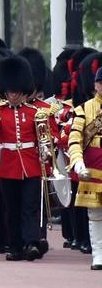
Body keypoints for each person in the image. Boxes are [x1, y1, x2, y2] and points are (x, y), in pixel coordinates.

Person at [0, 54, 48, 261]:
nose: (13, 95)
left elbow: (45, 138)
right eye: (10, 91)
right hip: (7, 166)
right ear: (5, 90)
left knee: (30, 207)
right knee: (12, 209)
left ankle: (31, 243)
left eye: (16, 91)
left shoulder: (35, 113)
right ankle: (15, 246)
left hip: (31, 165)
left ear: (23, 89)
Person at [66, 60, 102, 271]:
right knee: (95, 215)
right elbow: (74, 139)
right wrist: (77, 161)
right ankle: (98, 254)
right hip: (93, 170)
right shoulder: (84, 109)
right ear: (96, 85)